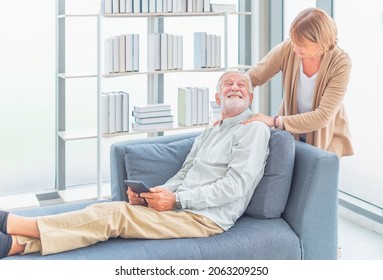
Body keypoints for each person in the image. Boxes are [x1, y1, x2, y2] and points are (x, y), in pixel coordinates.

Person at [0, 71, 270, 258]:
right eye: (228, 84)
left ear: (250, 97)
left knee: (116, 215)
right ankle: (14, 245)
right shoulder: (212, 131)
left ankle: (13, 223)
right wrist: (153, 195)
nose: (235, 87)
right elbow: (186, 173)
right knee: (106, 211)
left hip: (207, 218)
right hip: (182, 208)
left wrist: (177, 200)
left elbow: (235, 186)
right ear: (217, 97)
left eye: (241, 85)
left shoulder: (253, 130)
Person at [243, 7, 353, 158]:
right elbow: (252, 78)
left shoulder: (340, 63)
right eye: (294, 41)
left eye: (301, 45)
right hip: (290, 131)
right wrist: (232, 99)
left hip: (326, 135)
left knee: (316, 177)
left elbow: (323, 116)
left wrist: (274, 121)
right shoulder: (288, 48)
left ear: (321, 44)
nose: (295, 49)